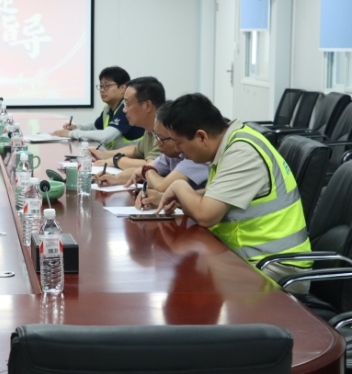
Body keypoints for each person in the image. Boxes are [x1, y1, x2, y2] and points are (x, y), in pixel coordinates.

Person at [156, 93, 311, 292]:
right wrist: (181, 199)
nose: (177, 149)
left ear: (202, 137)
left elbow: (206, 215)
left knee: (192, 287)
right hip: (250, 257)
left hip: (275, 267)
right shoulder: (232, 143)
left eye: (179, 142)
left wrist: (179, 186)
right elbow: (218, 195)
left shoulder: (242, 152)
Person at [124, 101, 210, 210]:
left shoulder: (197, 155)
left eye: (161, 138)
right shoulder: (172, 154)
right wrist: (115, 178)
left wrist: (147, 171)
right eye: (156, 136)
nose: (157, 142)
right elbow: (140, 171)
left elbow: (162, 187)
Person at [91, 77, 164, 185]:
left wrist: (116, 160)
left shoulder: (164, 132)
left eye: (127, 104)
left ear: (147, 106)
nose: (124, 110)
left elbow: (150, 166)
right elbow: (136, 151)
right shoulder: (149, 128)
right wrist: (104, 154)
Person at [53, 66, 144, 148]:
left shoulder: (127, 108)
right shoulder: (108, 108)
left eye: (107, 86)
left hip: (134, 158)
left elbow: (106, 136)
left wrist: (71, 134)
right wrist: (77, 127)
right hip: (115, 156)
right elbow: (95, 126)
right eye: (101, 86)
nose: (102, 90)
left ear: (122, 88)